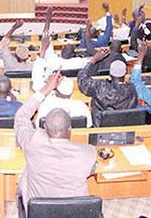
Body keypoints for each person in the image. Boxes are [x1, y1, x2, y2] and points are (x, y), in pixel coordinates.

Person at [14, 71, 97, 206]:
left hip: (38, 214)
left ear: (44, 127)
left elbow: (21, 117)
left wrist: (47, 87)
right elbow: (92, 169)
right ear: (70, 129)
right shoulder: (88, 152)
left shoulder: (32, 143)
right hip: (75, 213)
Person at [77, 50, 137, 126]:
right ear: (125, 73)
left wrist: (93, 60)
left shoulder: (99, 87)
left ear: (110, 74)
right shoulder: (132, 89)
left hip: (100, 127)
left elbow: (82, 80)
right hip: (124, 127)